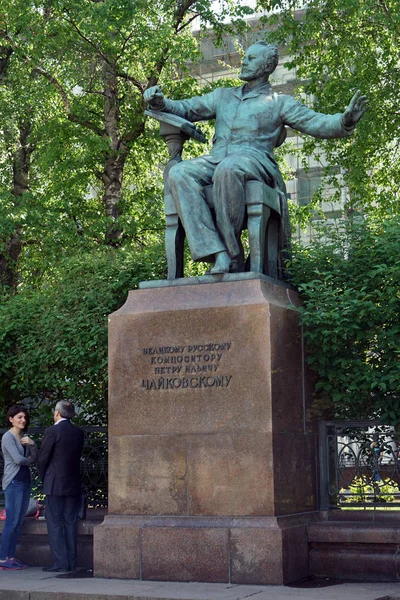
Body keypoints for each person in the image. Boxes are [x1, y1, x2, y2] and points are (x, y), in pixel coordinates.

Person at [144, 42, 368, 274]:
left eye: (251, 58)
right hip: (217, 158)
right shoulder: (223, 96)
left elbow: (315, 122)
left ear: (267, 66)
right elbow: (186, 108)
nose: (244, 61)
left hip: (255, 160)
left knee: (228, 169)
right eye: (245, 57)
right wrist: (160, 102)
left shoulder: (279, 102)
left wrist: (345, 121)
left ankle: (232, 258)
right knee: (179, 172)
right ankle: (217, 252)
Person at [39, 400, 84, 572]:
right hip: (72, 483)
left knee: (54, 522)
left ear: (57, 413)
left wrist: (44, 477)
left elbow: (44, 458)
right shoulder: (78, 432)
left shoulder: (52, 431)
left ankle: (60, 562)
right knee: (70, 521)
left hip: (54, 483)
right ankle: (71, 561)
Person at [0, 405, 38, 570]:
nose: (23, 420)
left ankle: (11, 557)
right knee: (11, 522)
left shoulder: (23, 437)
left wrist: (32, 443)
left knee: (18, 522)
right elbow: (18, 460)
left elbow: (34, 457)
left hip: (24, 482)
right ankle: (2, 559)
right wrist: (28, 458)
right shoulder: (7, 437)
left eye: (24, 417)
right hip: (13, 482)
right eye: (19, 417)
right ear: (11, 419)